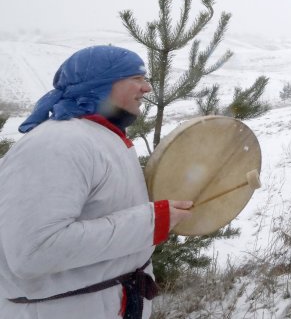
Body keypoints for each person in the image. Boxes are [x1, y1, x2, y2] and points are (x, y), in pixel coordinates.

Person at [0, 45, 194, 319]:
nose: (147, 88)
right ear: (101, 83)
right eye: (136, 79)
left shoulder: (102, 138)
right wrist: (152, 222)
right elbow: (33, 251)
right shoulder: (57, 143)